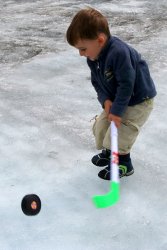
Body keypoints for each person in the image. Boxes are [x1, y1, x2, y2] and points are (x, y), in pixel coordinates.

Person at [66, 8, 157, 180]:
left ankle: (124, 163)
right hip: (118, 99)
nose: (81, 54)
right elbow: (96, 82)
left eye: (83, 48)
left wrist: (117, 111)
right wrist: (105, 100)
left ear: (100, 40)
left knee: (121, 132)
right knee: (101, 127)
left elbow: (127, 85)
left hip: (138, 100)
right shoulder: (93, 58)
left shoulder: (119, 53)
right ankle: (109, 153)